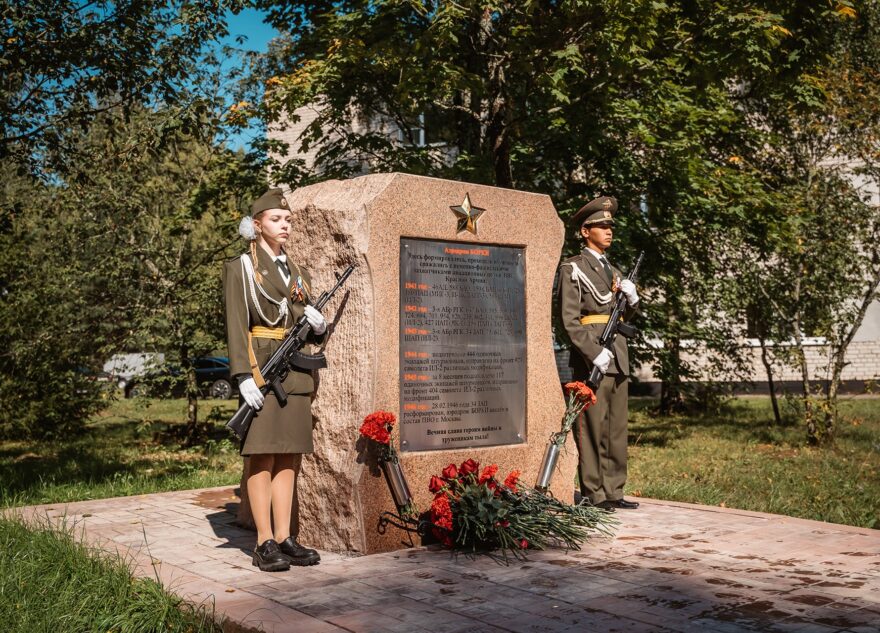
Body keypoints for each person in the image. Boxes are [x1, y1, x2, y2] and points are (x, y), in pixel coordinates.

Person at [223, 187, 328, 571]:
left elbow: (301, 322)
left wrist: (318, 326)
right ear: (257, 225)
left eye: (287, 220)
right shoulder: (241, 268)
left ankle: (285, 537)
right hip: (262, 370)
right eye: (275, 219)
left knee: (288, 456)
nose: (284, 225)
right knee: (262, 455)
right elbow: (236, 324)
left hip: (294, 373)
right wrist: (242, 376)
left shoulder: (297, 271)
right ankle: (263, 542)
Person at [557, 196, 641, 512]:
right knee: (592, 427)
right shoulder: (573, 268)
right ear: (585, 231)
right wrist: (593, 352)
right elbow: (569, 320)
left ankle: (614, 489)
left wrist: (633, 300)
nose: (608, 231)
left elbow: (623, 317)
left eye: (610, 226)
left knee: (616, 427)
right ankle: (594, 492)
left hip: (618, 353)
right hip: (593, 355)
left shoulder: (615, 272)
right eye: (601, 226)